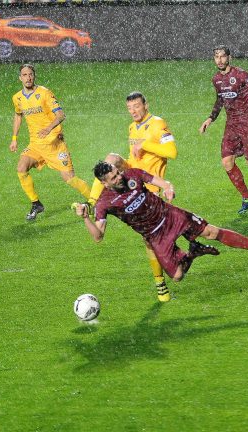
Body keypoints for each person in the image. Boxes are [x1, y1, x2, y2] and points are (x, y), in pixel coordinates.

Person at [75, 162, 248, 284]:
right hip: (155, 235)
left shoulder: (133, 175)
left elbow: (162, 183)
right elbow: (98, 236)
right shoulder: (104, 203)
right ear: (104, 183)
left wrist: (168, 189)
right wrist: (85, 217)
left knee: (211, 232)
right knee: (177, 276)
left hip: (170, 215)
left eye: (118, 173)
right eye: (113, 178)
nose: (119, 177)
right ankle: (193, 252)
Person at [85, 92, 178, 302]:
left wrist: (145, 145)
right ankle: (91, 202)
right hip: (130, 177)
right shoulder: (132, 127)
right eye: (129, 108)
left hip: (148, 183)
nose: (133, 111)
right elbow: (132, 158)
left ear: (146, 105)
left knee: (149, 240)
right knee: (110, 158)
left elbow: (172, 152)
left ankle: (160, 282)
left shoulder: (158, 124)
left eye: (136, 106)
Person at [199, 45, 248, 214]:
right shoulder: (216, 79)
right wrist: (210, 118)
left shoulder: (241, 75)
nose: (219, 60)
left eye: (222, 56)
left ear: (229, 58)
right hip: (232, 124)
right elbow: (220, 100)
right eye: (216, 57)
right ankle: (247, 198)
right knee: (227, 162)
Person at [9, 64, 91, 220]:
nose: (28, 78)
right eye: (25, 75)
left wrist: (48, 129)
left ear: (34, 76)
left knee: (69, 178)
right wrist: (14, 138)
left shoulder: (45, 93)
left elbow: (61, 115)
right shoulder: (17, 98)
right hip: (36, 145)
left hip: (55, 145)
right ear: (20, 78)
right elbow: (18, 115)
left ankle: (95, 200)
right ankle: (36, 203)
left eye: (30, 74)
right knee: (21, 168)